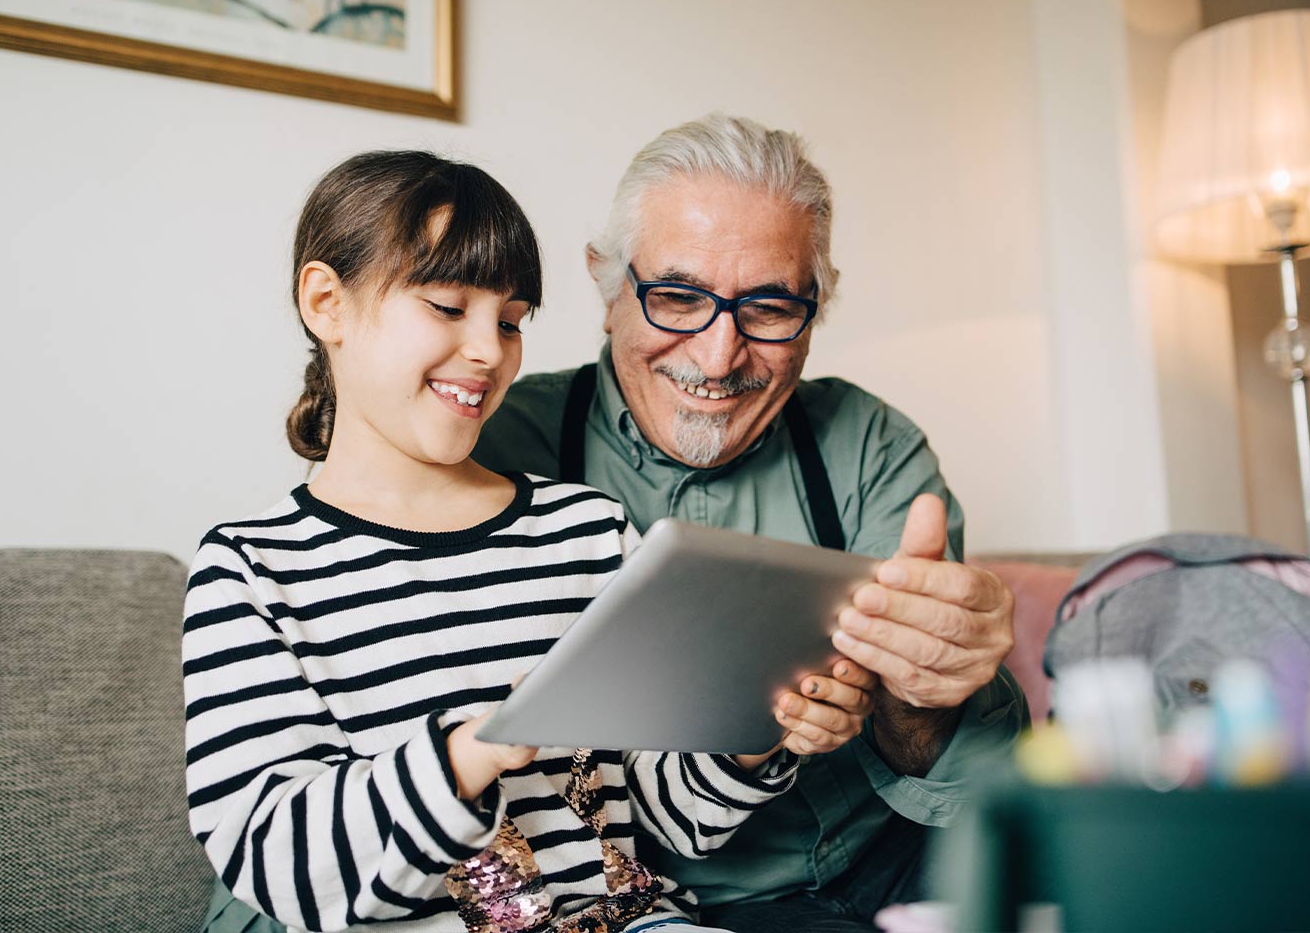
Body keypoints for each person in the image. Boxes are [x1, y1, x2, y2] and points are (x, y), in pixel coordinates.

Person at [182, 150, 879, 933]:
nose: (490, 350)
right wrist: (468, 754)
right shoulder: (252, 571)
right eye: (448, 307)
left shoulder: (585, 533)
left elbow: (662, 818)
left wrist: (755, 734)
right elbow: (276, 859)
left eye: (510, 321)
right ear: (326, 303)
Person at [470, 114, 1025, 933]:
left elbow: (950, 761)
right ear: (606, 287)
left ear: (815, 309)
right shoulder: (495, 443)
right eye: (679, 297)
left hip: (894, 860)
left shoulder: (872, 447)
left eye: (768, 308)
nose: (720, 356)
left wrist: (925, 691)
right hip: (663, 902)